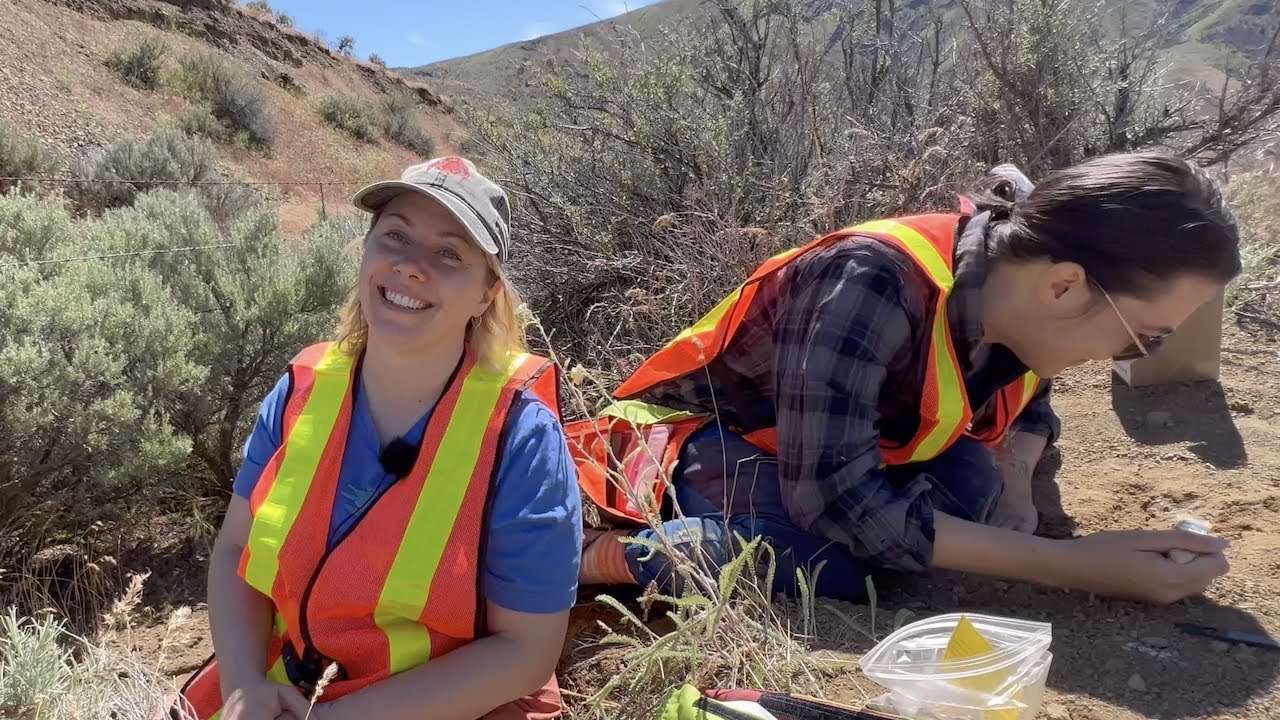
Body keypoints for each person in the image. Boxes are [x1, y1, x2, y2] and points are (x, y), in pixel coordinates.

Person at [570, 151, 1238, 606]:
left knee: (975, 484)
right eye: (1142, 336)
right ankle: (597, 556)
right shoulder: (870, 283)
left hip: (815, 444)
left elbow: (1029, 405)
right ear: (1065, 287)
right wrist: (1077, 567)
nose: (1136, 355)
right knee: (826, 563)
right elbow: (833, 501)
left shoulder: (1018, 299)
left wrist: (1016, 476)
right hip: (690, 440)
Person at [175, 157, 583, 720]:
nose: (411, 267)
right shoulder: (302, 389)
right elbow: (235, 551)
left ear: (487, 293)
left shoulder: (523, 439)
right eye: (395, 236)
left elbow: (526, 652)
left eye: (449, 253)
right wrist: (245, 684)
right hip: (290, 685)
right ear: (365, 252)